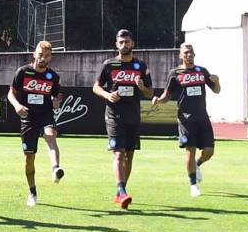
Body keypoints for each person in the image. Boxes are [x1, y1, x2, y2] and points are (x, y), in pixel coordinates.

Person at [94, 27, 153, 209]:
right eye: (121, 42)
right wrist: (107, 95)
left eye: (127, 42)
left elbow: (150, 92)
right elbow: (96, 86)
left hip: (133, 116)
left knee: (129, 155)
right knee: (118, 154)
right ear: (116, 45)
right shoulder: (109, 65)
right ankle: (121, 191)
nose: (124, 45)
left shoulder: (141, 66)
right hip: (114, 116)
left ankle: (121, 191)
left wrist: (142, 87)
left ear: (132, 44)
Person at [152, 42, 219, 197]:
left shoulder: (202, 72)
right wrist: (159, 100)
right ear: (180, 55)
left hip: (202, 116)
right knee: (190, 150)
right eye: (185, 53)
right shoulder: (175, 73)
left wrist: (217, 81)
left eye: (191, 52)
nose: (188, 55)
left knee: (209, 152)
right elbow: (167, 94)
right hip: (186, 117)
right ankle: (193, 185)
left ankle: (197, 164)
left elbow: (216, 90)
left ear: (194, 54)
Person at [7, 40, 65, 206]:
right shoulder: (23, 72)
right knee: (29, 158)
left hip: (45, 115)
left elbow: (55, 97)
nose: (42, 59)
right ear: (34, 54)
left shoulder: (53, 77)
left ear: (50, 58)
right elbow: (11, 94)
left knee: (50, 136)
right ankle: (32, 192)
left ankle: (56, 168)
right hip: (28, 118)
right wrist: (17, 105)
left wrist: (55, 102)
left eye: (46, 56)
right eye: (40, 55)